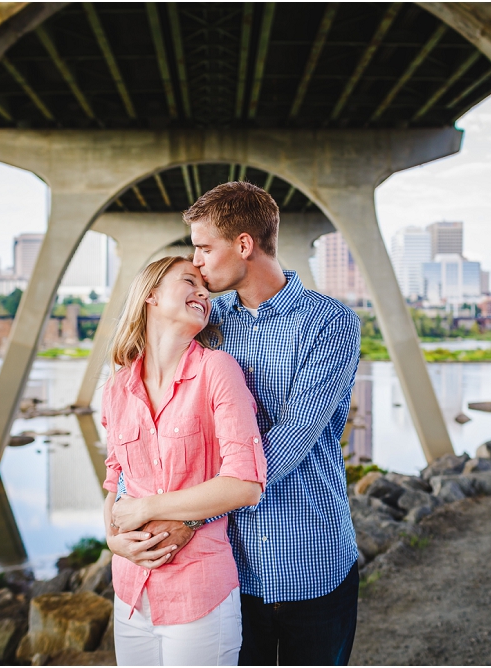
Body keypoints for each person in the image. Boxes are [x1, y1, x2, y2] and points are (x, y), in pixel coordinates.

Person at [116, 182, 362, 665]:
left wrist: (187, 514)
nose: (198, 262)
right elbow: (155, 416)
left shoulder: (329, 322)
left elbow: (294, 436)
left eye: (205, 247)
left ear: (244, 245)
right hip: (227, 567)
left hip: (310, 558)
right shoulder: (206, 322)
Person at [100, 255, 268, 666]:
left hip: (199, 593)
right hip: (129, 591)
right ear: (151, 295)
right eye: (188, 281)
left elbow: (245, 484)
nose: (202, 292)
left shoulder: (218, 370)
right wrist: (111, 540)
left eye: (205, 288)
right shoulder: (118, 387)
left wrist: (147, 508)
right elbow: (114, 481)